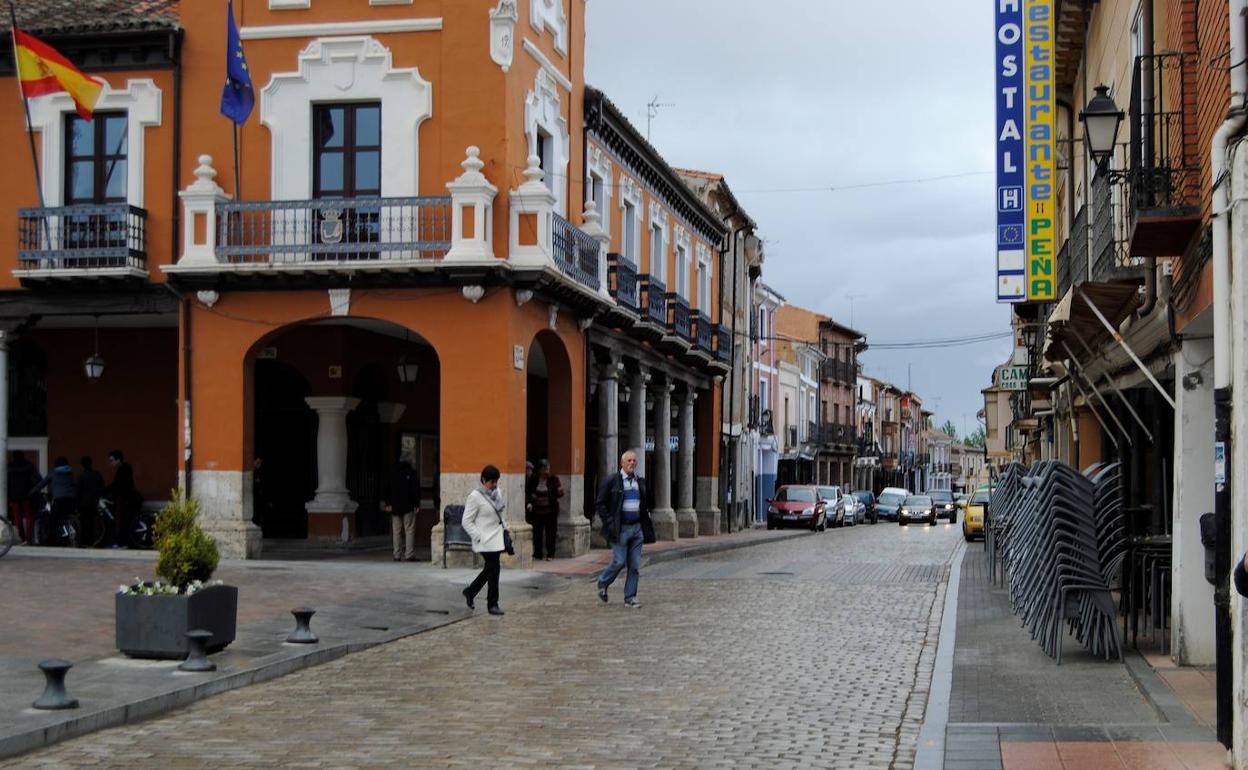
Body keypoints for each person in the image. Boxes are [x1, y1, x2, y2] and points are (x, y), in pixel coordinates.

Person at [595, 449, 655, 608]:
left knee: (635, 566)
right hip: (620, 529)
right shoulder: (613, 481)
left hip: (636, 529)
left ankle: (630, 597)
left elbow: (646, 503)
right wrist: (609, 522)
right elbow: (600, 503)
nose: (632, 463)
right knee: (619, 561)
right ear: (622, 463)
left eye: (634, 461)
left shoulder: (639, 482)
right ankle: (603, 582)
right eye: (628, 460)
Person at [460, 464, 508, 616]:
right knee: (494, 569)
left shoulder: (497, 492)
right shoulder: (474, 497)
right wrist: (478, 536)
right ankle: (492, 604)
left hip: (497, 537)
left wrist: (505, 529)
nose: (494, 485)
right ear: (483, 480)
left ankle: (470, 591)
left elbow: (500, 513)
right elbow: (466, 521)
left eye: (496, 482)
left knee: (491, 569)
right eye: (491, 482)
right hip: (484, 540)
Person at [381, 450, 420, 562]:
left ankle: (396, 555)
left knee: (396, 530)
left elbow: (387, 488)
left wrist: (388, 503)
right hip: (408, 506)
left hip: (395, 506)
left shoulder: (393, 471)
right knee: (409, 530)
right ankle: (409, 554)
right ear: (409, 460)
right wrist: (417, 503)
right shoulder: (411, 472)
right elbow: (415, 490)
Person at [32, 457, 76, 544]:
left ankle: (54, 539)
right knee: (66, 516)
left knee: (54, 519)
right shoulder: (70, 473)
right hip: (71, 499)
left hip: (59, 500)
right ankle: (68, 532)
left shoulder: (53, 473)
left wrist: (32, 492)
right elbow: (74, 484)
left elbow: (41, 484)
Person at [526, 459, 564, 561]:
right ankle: (538, 553)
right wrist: (531, 501)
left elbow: (560, 493)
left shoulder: (553, 479)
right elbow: (529, 491)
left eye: (547, 468)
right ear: (539, 470)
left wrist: (559, 491)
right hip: (537, 512)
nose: (546, 471)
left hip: (550, 512)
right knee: (537, 533)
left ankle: (550, 554)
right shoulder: (534, 479)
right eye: (544, 469)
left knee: (550, 533)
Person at [6, 450, 41, 544]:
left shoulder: (9, 467)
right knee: (29, 516)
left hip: (14, 496)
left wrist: (8, 497)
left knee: (17, 518)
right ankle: (29, 539)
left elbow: (6, 483)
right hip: (27, 495)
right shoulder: (29, 466)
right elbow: (38, 479)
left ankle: (21, 537)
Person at [106, 450, 137, 548]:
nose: (110, 463)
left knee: (121, 520)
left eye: (112, 460)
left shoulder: (122, 469)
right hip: (125, 497)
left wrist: (106, 489)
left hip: (123, 498)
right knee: (123, 520)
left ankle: (122, 542)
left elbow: (118, 484)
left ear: (118, 460)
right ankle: (123, 542)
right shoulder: (125, 468)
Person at [76, 456, 105, 546]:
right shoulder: (97, 474)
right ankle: (92, 542)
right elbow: (102, 487)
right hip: (94, 503)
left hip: (83, 504)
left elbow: (78, 491)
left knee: (84, 524)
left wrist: (76, 505)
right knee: (92, 523)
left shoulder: (81, 476)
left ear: (81, 465)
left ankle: (85, 542)